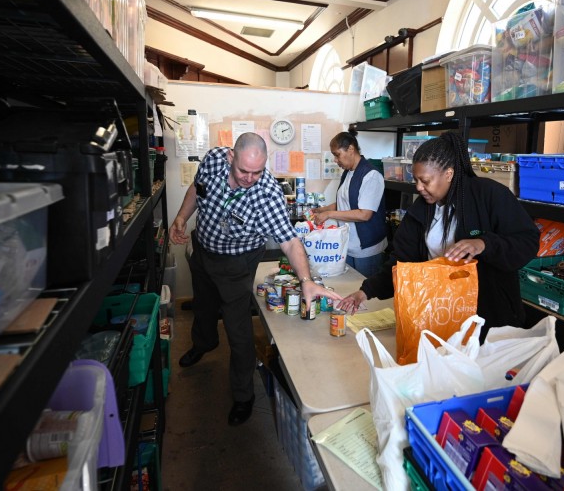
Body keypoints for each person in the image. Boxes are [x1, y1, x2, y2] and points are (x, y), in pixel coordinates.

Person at [168, 132, 341, 426]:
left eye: (257, 172)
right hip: (204, 249)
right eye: (243, 171)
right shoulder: (213, 160)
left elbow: (289, 241)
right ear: (230, 158)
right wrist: (181, 218)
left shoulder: (267, 194)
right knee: (204, 305)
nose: (250, 178)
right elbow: (197, 191)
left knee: (238, 329)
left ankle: (243, 395)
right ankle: (204, 343)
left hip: (237, 261)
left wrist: (306, 279)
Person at [337, 130, 539, 337]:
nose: (419, 187)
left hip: (490, 320)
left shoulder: (489, 195)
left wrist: (484, 243)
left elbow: (528, 241)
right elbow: (401, 262)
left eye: (425, 181)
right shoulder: (421, 210)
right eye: (416, 180)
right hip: (442, 312)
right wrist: (366, 291)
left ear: (449, 174)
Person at [311, 129, 388, 277]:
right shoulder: (348, 172)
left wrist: (329, 214)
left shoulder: (371, 175)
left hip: (366, 250)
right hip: (349, 245)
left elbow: (364, 214)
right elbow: (344, 203)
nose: (335, 160)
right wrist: (321, 210)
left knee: (366, 293)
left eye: (337, 154)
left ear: (351, 149)